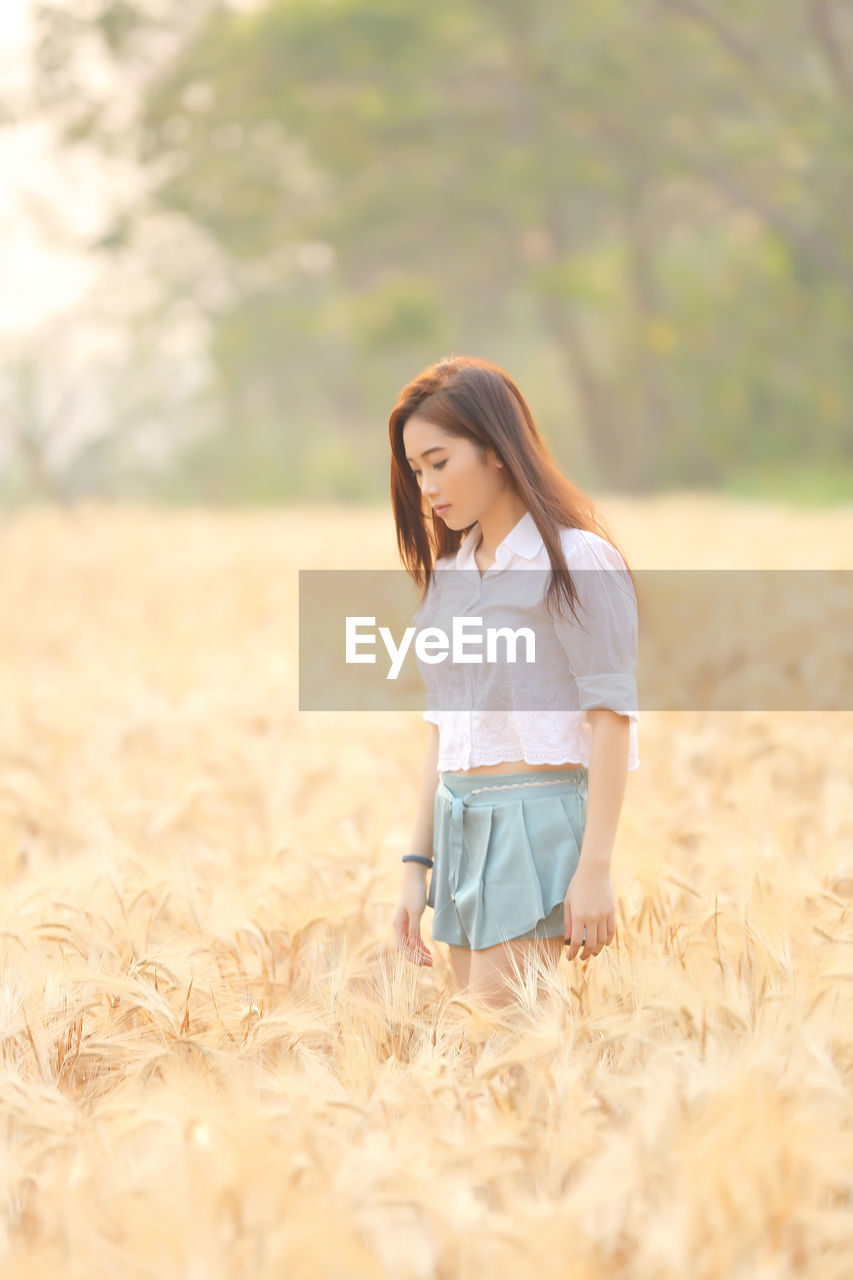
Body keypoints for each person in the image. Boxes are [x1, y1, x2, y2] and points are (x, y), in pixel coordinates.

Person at [389, 355, 640, 1007]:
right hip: (458, 825)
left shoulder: (575, 560)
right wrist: (416, 867)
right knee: (485, 1072)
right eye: (416, 470)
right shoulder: (453, 577)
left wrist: (595, 867)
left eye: (439, 463)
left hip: (532, 822)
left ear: (496, 450)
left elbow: (610, 716)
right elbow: (444, 730)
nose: (426, 488)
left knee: (505, 1046)